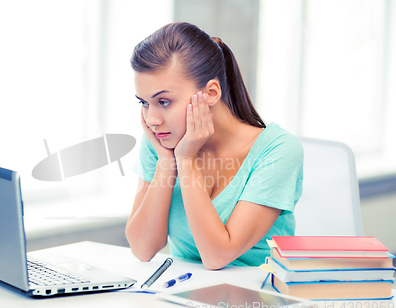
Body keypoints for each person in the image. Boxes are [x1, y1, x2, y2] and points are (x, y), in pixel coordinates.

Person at [125, 22, 303, 270]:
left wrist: (186, 160)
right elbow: (142, 249)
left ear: (210, 93)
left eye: (164, 101)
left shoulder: (278, 150)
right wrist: (167, 162)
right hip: (187, 295)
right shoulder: (163, 140)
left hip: (260, 297)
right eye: (144, 102)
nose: (152, 119)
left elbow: (217, 256)